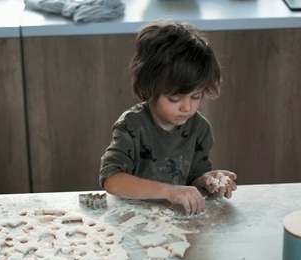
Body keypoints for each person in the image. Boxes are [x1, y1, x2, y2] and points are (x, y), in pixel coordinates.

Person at [99, 20, 237, 215]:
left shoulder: (199, 128)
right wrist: (168, 191)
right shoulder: (132, 126)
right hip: (134, 219)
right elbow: (112, 180)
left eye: (196, 97)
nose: (187, 107)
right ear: (151, 88)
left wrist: (209, 179)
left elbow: (193, 177)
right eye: (175, 99)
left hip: (177, 221)